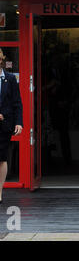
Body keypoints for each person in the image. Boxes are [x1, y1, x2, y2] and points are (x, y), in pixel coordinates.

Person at [0, 49, 23, 203]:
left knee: (2, 159)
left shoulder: (10, 79)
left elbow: (17, 103)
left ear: (1, 60)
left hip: (4, 126)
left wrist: (19, 122)